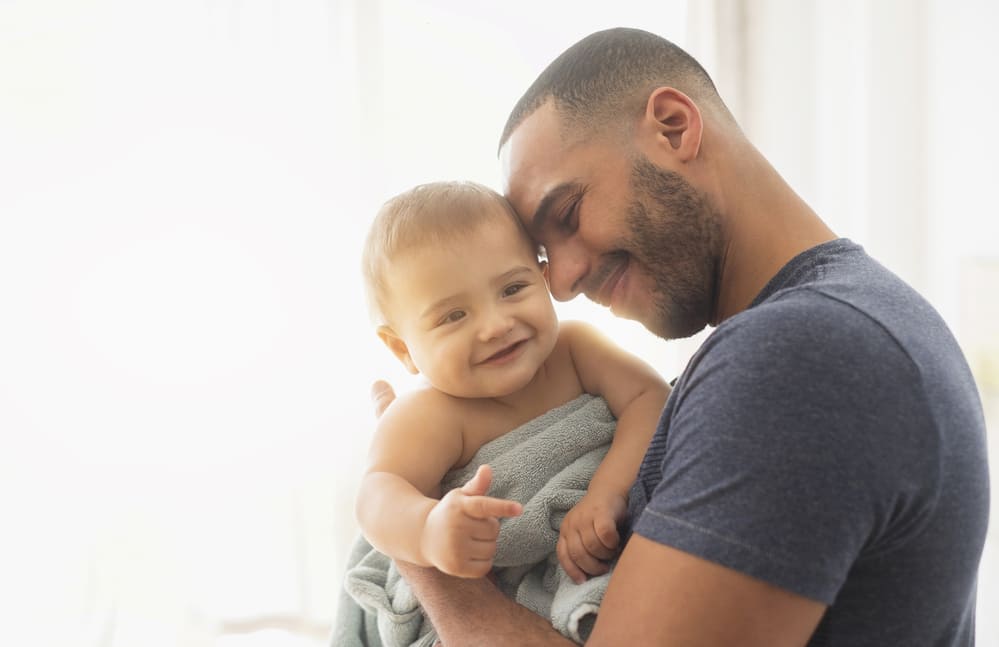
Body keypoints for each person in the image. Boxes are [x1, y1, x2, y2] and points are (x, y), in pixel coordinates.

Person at [373, 27, 991, 646]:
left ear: (673, 126)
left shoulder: (801, 358)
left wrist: (425, 557)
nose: (559, 282)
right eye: (542, 251)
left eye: (568, 215)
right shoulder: (856, 317)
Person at [347, 180, 670, 642]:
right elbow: (376, 495)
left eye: (513, 288)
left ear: (543, 278)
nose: (496, 325)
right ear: (403, 349)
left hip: (600, 566)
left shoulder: (575, 349)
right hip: (506, 596)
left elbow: (650, 400)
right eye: (453, 316)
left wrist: (607, 492)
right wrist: (428, 530)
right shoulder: (430, 414)